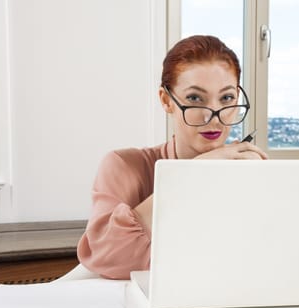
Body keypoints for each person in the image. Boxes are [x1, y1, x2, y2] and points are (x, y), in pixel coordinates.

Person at [77, 35, 268, 279]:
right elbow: (105, 255)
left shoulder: (249, 170)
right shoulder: (124, 166)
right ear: (167, 100)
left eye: (227, 98)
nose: (214, 116)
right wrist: (190, 175)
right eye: (195, 98)